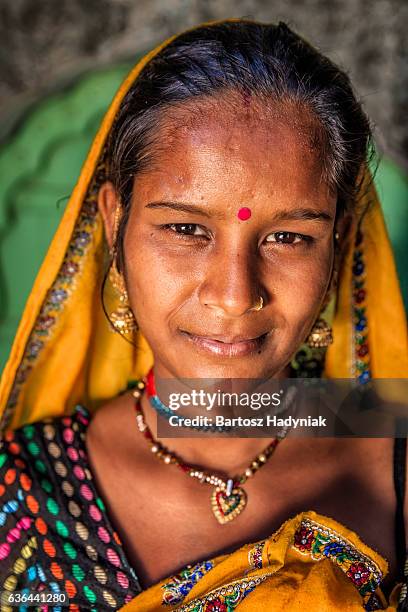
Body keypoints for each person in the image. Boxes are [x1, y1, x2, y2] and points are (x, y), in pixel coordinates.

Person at [0, 17, 407, 612]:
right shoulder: (20, 493)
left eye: (290, 237)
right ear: (116, 226)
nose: (236, 295)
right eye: (186, 229)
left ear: (337, 243)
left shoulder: (395, 461)